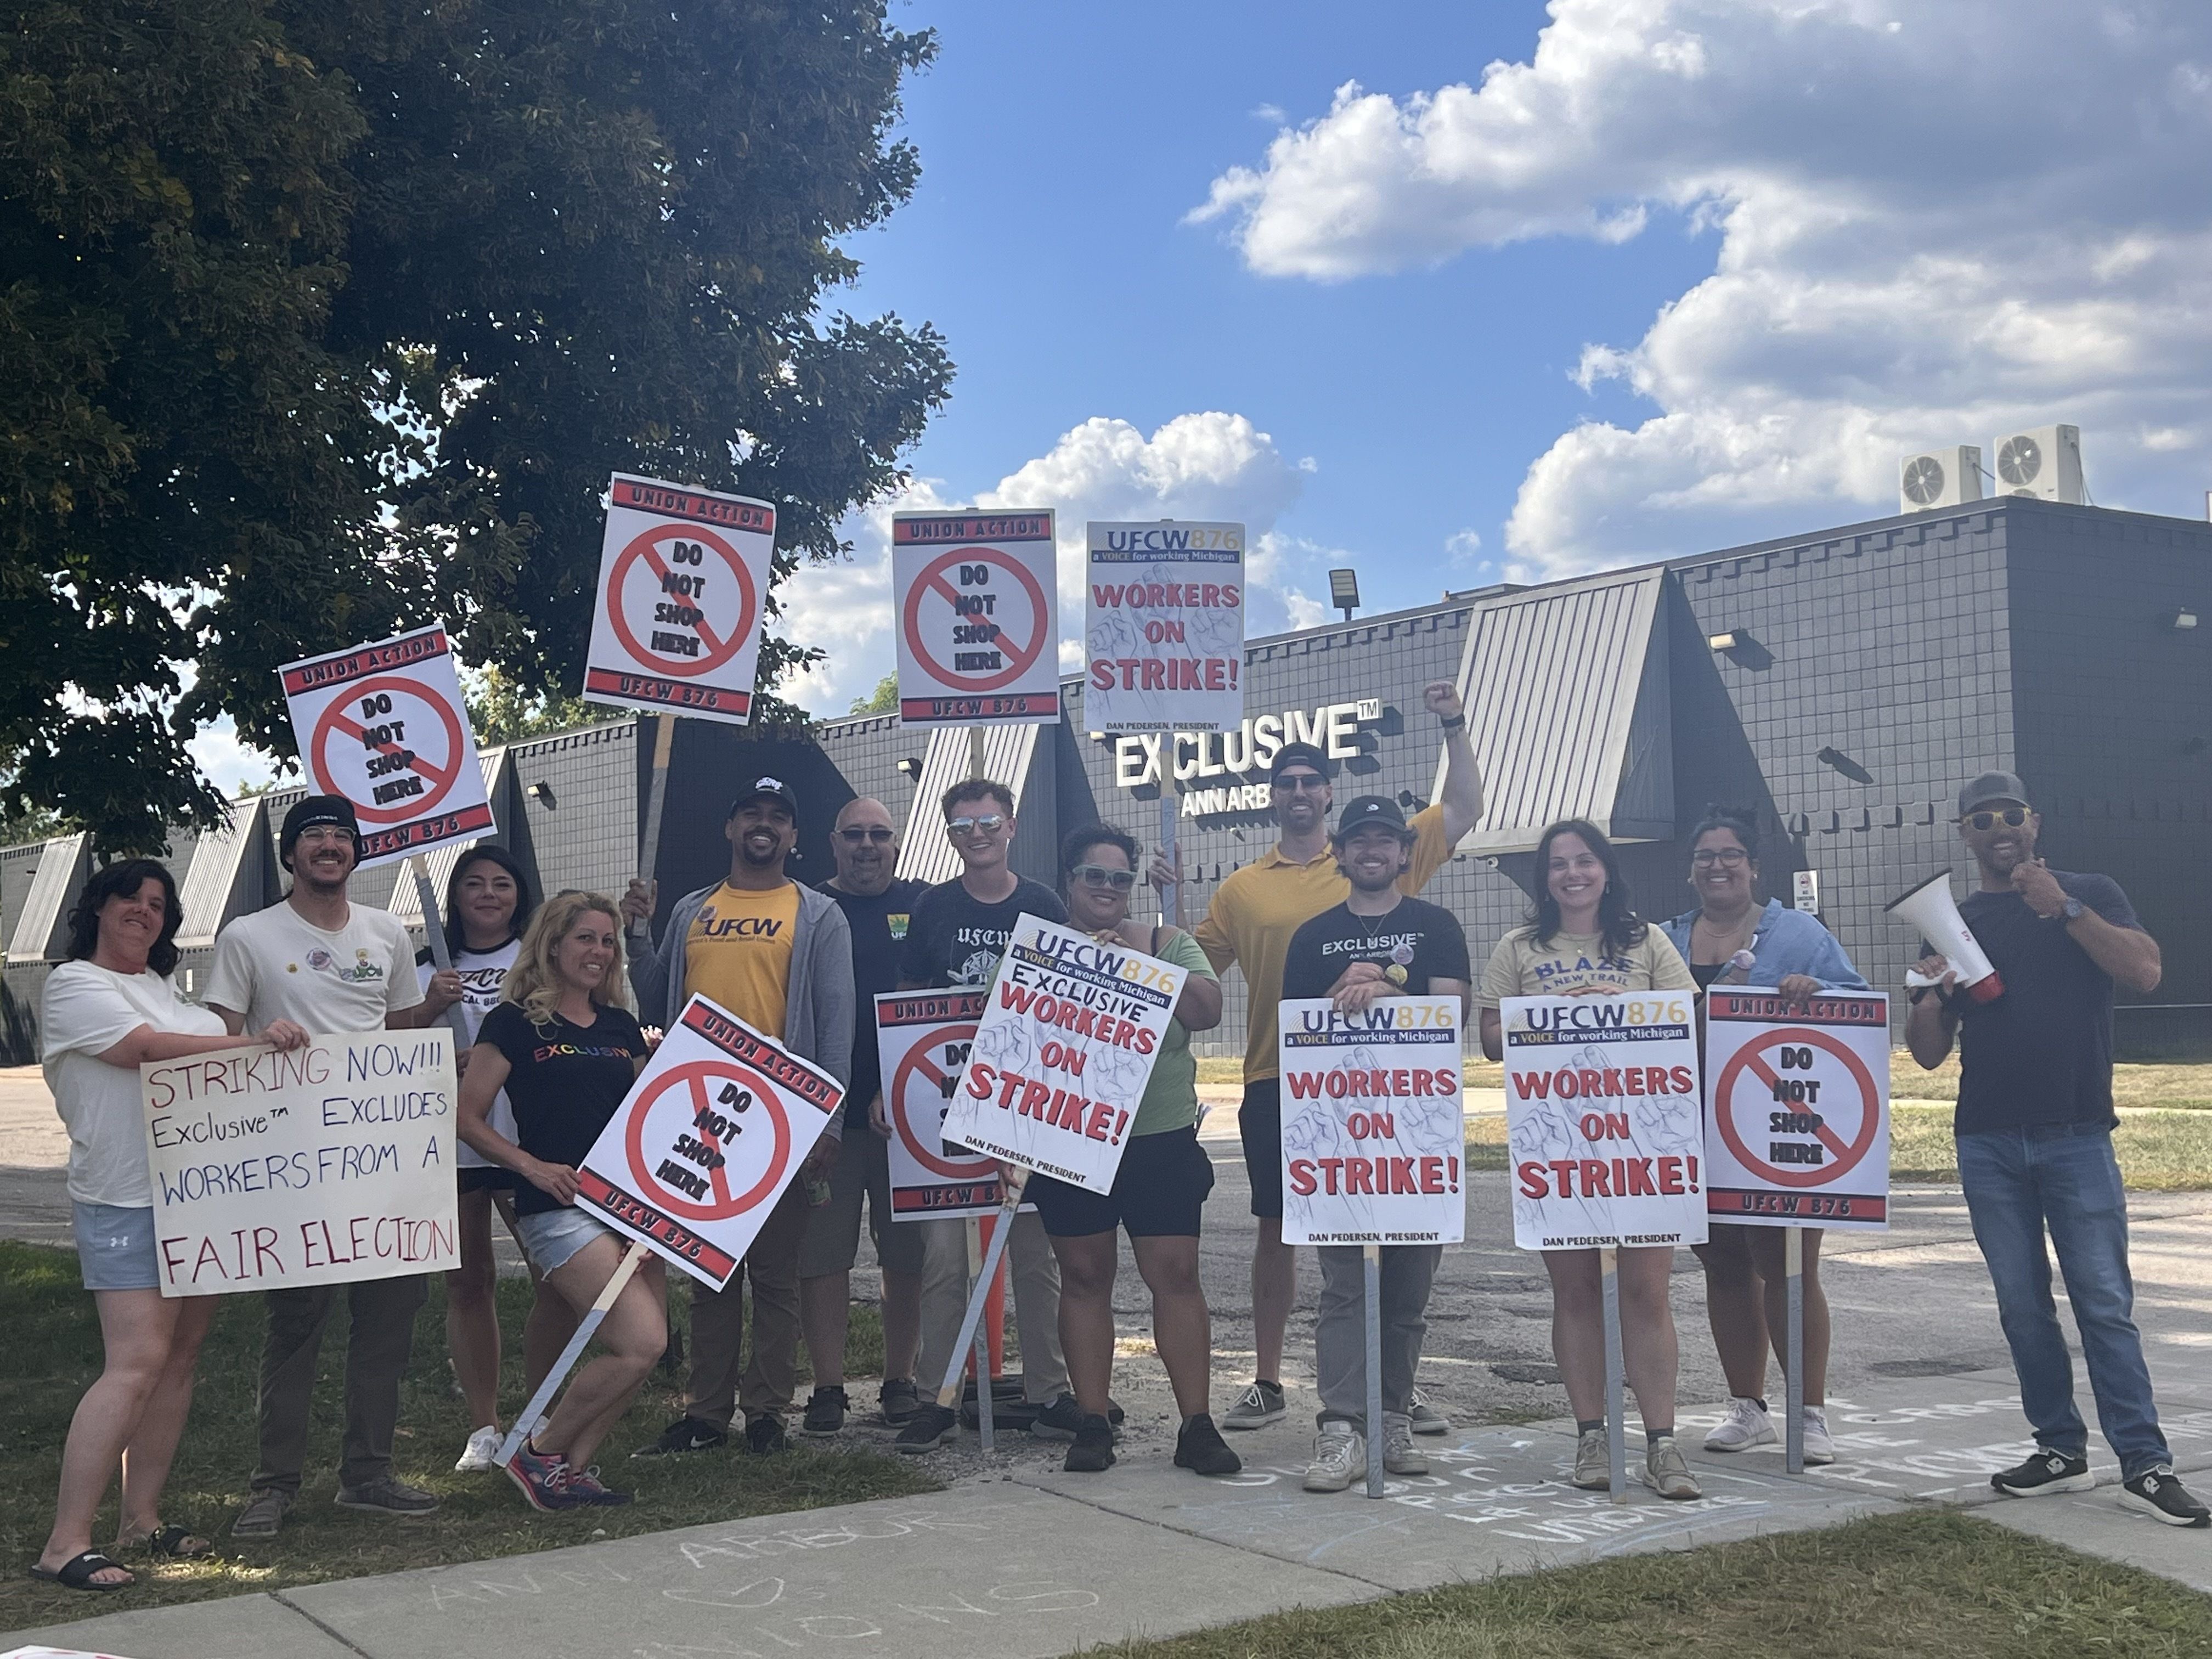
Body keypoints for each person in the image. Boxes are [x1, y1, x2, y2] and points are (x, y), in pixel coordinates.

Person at [1906, 771, 2208, 1527]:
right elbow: (1926, 1053)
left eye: (2010, 816)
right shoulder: (1953, 920)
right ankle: (2059, 1451)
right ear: (1965, 834)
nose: (1998, 829)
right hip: (1987, 1138)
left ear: (2034, 823)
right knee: (2021, 1306)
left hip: (2076, 1131)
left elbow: (2143, 971)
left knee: (2104, 1303)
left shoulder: (2090, 890)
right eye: (1982, 820)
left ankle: (2145, 1463)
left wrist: (2064, 908)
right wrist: (1935, 993)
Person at [1189, 682, 1485, 1434]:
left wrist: (1453, 725)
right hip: (1278, 1077)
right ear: (1271, 795)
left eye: (1309, 782)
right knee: (1282, 1230)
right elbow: (1192, 971)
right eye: (1284, 782)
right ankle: (1266, 1378)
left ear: (1328, 794)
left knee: (1395, 1225)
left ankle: (1395, 1390)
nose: (1297, 793)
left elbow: (1463, 810)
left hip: (1394, 1086)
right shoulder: (1240, 887)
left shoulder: (1375, 861)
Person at [32, 861, 311, 1592]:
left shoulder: (166, 991)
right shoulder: (73, 986)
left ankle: (140, 1520)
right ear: (97, 907)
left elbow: (207, 1062)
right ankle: (66, 1543)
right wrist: (254, 1044)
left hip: (199, 1198)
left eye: (158, 904)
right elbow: (144, 1052)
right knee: (133, 1366)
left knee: (177, 1364)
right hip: (125, 1200)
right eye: (130, 898)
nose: (144, 912)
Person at [207, 796, 463, 1537]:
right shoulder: (248, 937)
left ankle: (368, 1473)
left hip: (381, 1163)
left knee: (387, 1323)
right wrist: (260, 1044)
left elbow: (392, 1031)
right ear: (291, 854)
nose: (328, 846)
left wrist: (433, 1009)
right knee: (295, 1324)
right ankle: (274, 1483)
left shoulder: (385, 932)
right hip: (293, 1167)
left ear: (356, 854)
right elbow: (218, 1039)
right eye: (313, 836)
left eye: (341, 837)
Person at [622, 777, 855, 1457]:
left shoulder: (817, 914)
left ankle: (766, 1413)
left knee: (776, 1277)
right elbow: (652, 996)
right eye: (750, 812)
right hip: (700, 1116)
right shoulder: (694, 908)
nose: (764, 825)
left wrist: (829, 1123)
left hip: (783, 1116)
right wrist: (638, 929)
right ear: (731, 829)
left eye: (778, 818)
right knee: (709, 1273)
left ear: (794, 837)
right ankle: (705, 1412)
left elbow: (836, 1024)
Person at [1477, 819, 1702, 1500]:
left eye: (1584, 862)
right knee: (1574, 1291)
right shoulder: (1519, 948)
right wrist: (1553, 1012)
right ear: (1544, 879)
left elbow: (1687, 1020)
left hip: (1642, 1135)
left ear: (1606, 870)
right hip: (1558, 1136)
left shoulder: (1646, 940)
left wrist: (1624, 1004)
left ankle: (1663, 1445)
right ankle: (1592, 1439)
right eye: (1557, 866)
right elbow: (1490, 1037)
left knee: (1646, 1291)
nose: (1572, 875)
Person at [1023, 823, 1240, 1478]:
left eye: (1121, 878)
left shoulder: (1169, 943)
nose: (1108, 889)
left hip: (1159, 1136)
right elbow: (1008, 1036)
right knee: (1085, 1277)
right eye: (1095, 876)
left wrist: (1139, 970)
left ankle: (1197, 1425)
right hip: (1073, 1134)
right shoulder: (1039, 949)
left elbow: (1208, 1010)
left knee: (1175, 1276)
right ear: (1070, 882)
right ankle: (1092, 1420)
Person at [1658, 806, 1867, 1467]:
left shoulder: (1798, 933)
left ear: (1753, 866)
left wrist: (1814, 989)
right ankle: (1747, 1408)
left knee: (1789, 1265)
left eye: (1730, 855)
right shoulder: (1665, 939)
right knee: (1722, 1266)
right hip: (1693, 1122)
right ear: (1690, 869)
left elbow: (1856, 1003)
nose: (1718, 866)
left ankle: (1811, 1413)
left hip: (1777, 1126)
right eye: (1705, 856)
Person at [1281, 799, 1472, 1493]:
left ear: (1402, 853)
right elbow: (1298, 1026)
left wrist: (1386, 983)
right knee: (1342, 1286)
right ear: (1340, 852)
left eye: (1384, 841)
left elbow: (1450, 1013)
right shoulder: (1312, 936)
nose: (1372, 851)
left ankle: (1391, 1414)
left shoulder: (1436, 925)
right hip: (1337, 1134)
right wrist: (1344, 988)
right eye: (1358, 840)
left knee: (1406, 1290)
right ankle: (1341, 1424)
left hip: (1415, 1132)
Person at [458, 893, 659, 1508]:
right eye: (586, 939)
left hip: (626, 1209)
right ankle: (540, 1451)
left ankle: (570, 1470)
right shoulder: (513, 1023)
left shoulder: (624, 1027)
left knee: (646, 1351)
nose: (599, 952)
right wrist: (533, 1168)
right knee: (640, 1342)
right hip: (555, 1208)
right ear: (551, 945)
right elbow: (467, 1118)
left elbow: (651, 1121)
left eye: (608, 942)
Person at [891, 777, 1074, 1452]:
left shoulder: (1044, 904)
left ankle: (1053, 1393)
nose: (977, 835)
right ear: (950, 834)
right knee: (944, 1256)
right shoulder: (932, 907)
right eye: (963, 826)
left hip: (1027, 1107)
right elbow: (907, 1005)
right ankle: (936, 1395)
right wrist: (894, 1084)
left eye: (988, 822)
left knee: (1035, 1256)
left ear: (1012, 824)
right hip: (943, 1103)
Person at [425, 847, 577, 1473]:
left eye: (502, 884)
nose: (488, 895)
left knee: (557, 1279)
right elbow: (392, 1054)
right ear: (454, 897)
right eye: (474, 884)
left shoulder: (540, 963)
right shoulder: (429, 966)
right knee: (468, 1281)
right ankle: (483, 1427)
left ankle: (540, 1416)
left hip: (526, 1139)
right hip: (455, 1144)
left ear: (521, 895)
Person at [798, 797, 927, 1434]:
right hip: (824, 1120)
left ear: (896, 844)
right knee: (823, 1258)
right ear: (833, 842)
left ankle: (899, 1380)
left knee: (906, 1257)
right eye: (856, 835)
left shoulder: (924, 905)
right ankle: (827, 1387)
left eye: (880, 834)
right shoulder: (806, 906)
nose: (868, 845)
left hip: (906, 1119)